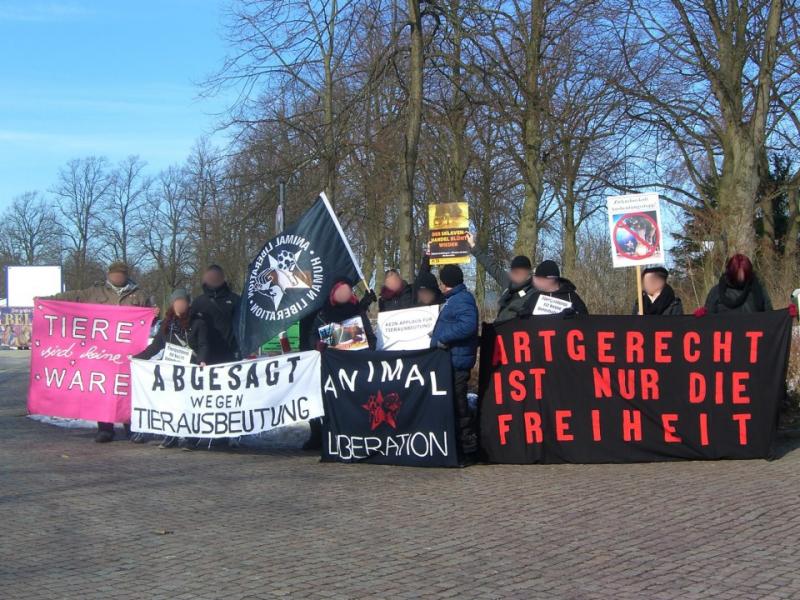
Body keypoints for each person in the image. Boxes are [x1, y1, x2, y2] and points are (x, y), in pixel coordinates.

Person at [51, 261, 153, 443]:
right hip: (102, 354)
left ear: (126, 275)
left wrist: (154, 315)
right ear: (109, 275)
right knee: (103, 390)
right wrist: (47, 300)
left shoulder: (139, 295)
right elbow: (73, 297)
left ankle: (131, 427)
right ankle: (105, 428)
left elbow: (149, 322)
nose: (117, 277)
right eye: (114, 274)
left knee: (127, 390)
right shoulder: (96, 292)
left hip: (128, 354)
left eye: (120, 274)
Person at [304, 278, 376, 450]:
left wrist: (337, 338)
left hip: (355, 367)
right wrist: (317, 344)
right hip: (331, 369)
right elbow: (313, 336)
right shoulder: (323, 313)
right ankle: (327, 438)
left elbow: (371, 339)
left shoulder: (358, 311)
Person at [134, 288, 209, 450]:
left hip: (190, 370)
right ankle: (171, 435)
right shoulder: (167, 324)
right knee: (170, 404)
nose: (180, 305)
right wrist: (138, 359)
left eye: (182, 302)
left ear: (188, 304)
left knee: (189, 404)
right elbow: (156, 347)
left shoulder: (198, 322)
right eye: (177, 302)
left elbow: (203, 344)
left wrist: (202, 360)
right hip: (170, 372)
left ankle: (191, 437)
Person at [430, 264, 479, 464]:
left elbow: (468, 325)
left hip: (456, 361)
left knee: (459, 406)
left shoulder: (462, 300)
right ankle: (459, 448)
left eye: (441, 282)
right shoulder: (454, 300)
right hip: (451, 359)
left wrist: (444, 338)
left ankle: (468, 450)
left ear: (446, 283)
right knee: (454, 405)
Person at [466, 232, 534, 324]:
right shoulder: (507, 280)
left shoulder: (533, 291)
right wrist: (473, 245)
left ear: (528, 273)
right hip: (502, 329)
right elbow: (490, 265)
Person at [191, 265, 240, 364]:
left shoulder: (235, 300)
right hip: (206, 358)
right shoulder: (198, 302)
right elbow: (189, 327)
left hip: (230, 355)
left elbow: (243, 326)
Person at [702, 254, 773, 314]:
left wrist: (783, 316)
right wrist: (700, 318)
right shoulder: (716, 292)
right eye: (737, 276)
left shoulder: (759, 291)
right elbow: (709, 321)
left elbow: (770, 318)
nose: (741, 280)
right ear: (731, 273)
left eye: (744, 276)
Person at [523, 260, 589, 315]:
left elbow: (585, 320)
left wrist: (575, 316)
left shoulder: (571, 297)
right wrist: (524, 317)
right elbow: (520, 322)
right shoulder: (535, 297)